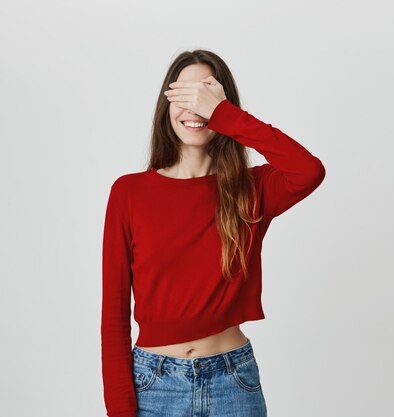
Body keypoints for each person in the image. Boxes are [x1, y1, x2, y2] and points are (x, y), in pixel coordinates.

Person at [100, 49, 326, 417]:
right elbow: (113, 315)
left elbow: (309, 171)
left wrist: (224, 115)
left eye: (205, 95)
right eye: (184, 95)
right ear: (165, 104)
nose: (195, 108)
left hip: (232, 383)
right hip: (153, 386)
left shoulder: (251, 190)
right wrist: (120, 410)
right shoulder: (129, 193)